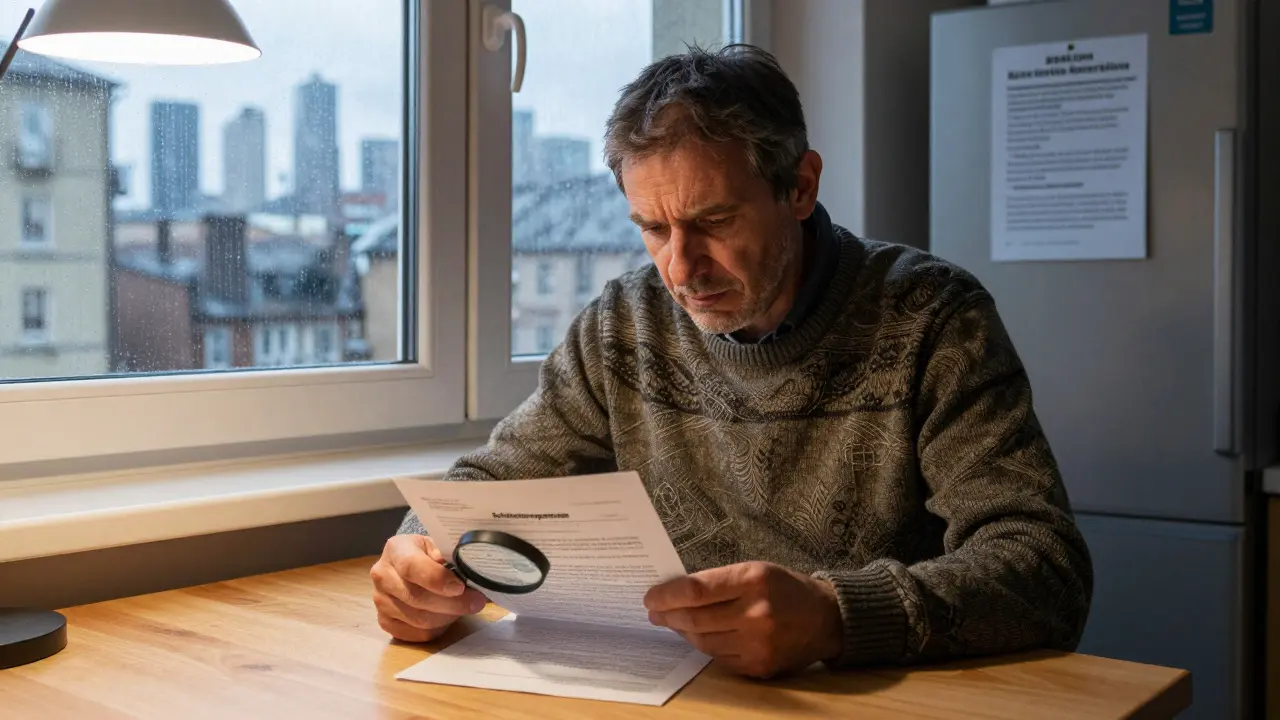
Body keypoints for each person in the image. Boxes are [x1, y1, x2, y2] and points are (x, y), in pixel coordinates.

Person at [370, 43, 1093, 679]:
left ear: (801, 186)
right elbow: (486, 488)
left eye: (713, 221)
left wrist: (835, 615)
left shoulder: (934, 317)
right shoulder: (625, 324)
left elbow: (1043, 567)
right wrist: (415, 560)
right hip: (682, 693)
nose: (680, 268)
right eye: (652, 228)